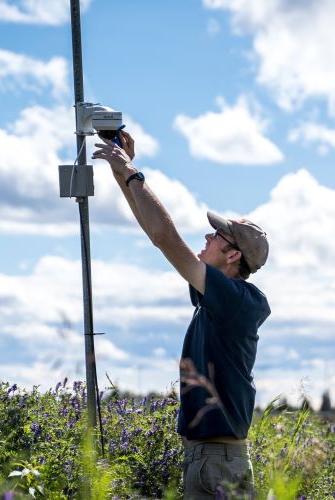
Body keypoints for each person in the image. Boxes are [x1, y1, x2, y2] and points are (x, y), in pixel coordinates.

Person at [92, 131, 270, 499]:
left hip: (218, 462)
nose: (207, 237)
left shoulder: (234, 299)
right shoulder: (217, 298)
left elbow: (165, 239)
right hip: (209, 458)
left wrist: (131, 173)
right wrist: (122, 170)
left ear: (233, 255)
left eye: (217, 235)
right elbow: (154, 233)